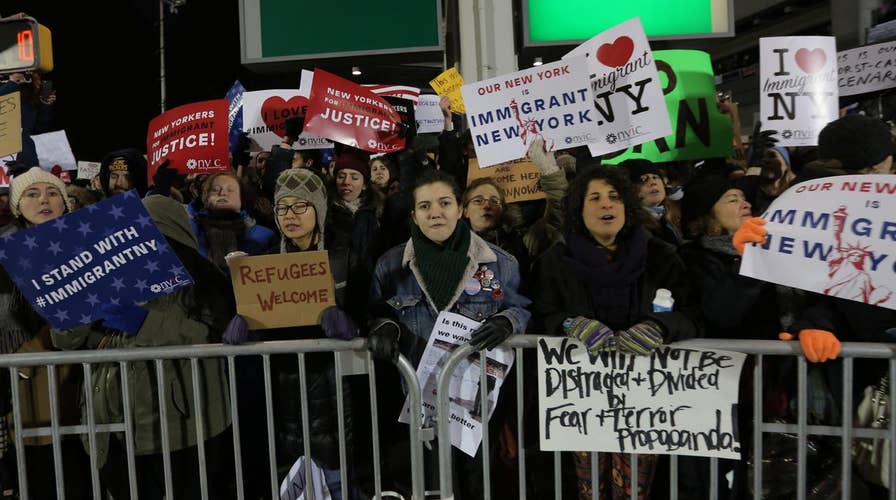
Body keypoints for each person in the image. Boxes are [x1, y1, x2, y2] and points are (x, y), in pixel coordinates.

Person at [530, 166, 700, 500]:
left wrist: (660, 326)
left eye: (614, 197)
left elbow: (693, 315)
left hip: (646, 406)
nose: (606, 205)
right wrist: (569, 324)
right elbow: (541, 314)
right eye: (594, 198)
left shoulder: (662, 256)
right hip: (581, 406)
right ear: (579, 209)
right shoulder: (554, 262)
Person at [51, 194, 235, 500]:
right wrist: (78, 306)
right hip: (112, 429)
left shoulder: (202, 284)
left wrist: (144, 324)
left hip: (179, 430)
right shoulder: (107, 276)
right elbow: (63, 340)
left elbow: (210, 336)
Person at [366, 169, 531, 498]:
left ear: (460, 208)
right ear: (414, 215)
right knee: (428, 485)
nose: (435, 212)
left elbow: (523, 308)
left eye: (444, 203)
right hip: (417, 401)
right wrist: (382, 326)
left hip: (475, 406)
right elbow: (376, 311)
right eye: (425, 206)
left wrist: (508, 321)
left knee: (477, 484)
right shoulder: (390, 266)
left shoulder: (501, 264)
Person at [225, 168, 357, 499]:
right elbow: (268, 322)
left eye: (301, 206)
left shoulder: (346, 255)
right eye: (283, 207)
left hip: (337, 389)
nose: (290, 215)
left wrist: (351, 323)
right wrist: (246, 323)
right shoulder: (266, 263)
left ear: (319, 209)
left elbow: (370, 307)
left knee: (340, 479)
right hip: (286, 393)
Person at [0, 166, 91, 498]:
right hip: (23, 381)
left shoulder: (87, 244)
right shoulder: (2, 253)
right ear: (16, 205)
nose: (44, 201)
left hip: (79, 376)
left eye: (53, 193)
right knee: (38, 472)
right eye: (32, 194)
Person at [461, 137, 567, 282]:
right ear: (465, 210)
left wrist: (549, 171)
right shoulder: (452, 246)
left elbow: (557, 217)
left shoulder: (523, 242)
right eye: (478, 200)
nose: (487, 205)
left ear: (503, 209)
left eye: (494, 200)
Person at [187, 171, 278, 272]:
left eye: (231, 190)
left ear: (241, 197)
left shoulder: (264, 236)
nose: (223, 194)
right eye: (215, 190)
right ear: (206, 197)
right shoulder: (191, 234)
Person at [623, 159, 684, 246]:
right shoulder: (631, 228)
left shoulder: (673, 216)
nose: (653, 183)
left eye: (656, 177)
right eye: (643, 179)